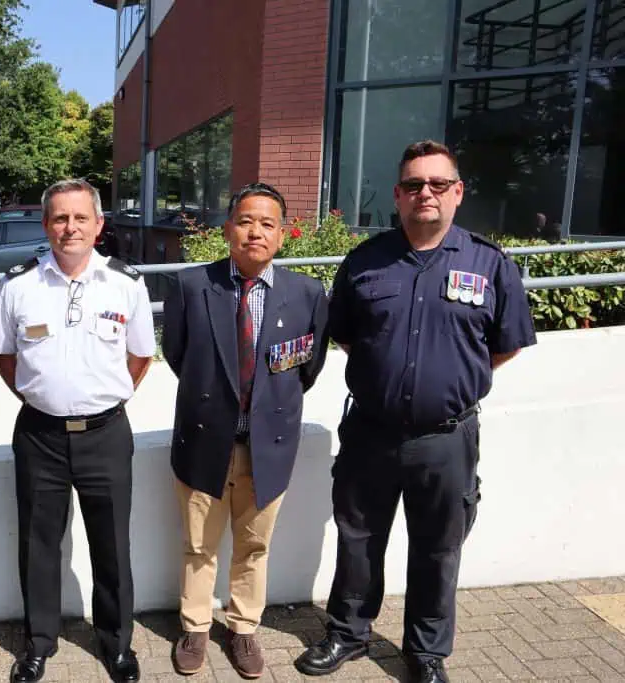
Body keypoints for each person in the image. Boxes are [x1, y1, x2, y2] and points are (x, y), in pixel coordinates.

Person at [295, 140, 537, 683]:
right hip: (370, 433)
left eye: (436, 184)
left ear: (457, 192)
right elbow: (350, 337)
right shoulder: (365, 261)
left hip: (446, 439)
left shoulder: (489, 263)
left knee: (438, 548)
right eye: (411, 185)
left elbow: (506, 344)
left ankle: (426, 652)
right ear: (398, 196)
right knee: (358, 540)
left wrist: (446, 384)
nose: (423, 193)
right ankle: (348, 634)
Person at [0, 178, 156, 683]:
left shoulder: (127, 284)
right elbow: (4, 355)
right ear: (46, 225)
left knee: (112, 543)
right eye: (59, 218)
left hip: (106, 433)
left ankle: (116, 645)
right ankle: (39, 643)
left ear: (99, 224)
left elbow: (141, 354)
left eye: (81, 217)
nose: (70, 227)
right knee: (39, 544)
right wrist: (44, 398)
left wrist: (105, 397)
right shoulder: (19, 285)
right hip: (39, 435)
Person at [161, 182, 328, 679]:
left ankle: (243, 628)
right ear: (228, 228)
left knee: (255, 545)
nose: (255, 231)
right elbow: (178, 356)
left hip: (268, 446)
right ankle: (194, 626)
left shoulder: (306, 293)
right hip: (204, 438)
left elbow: (308, 367)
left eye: (267, 223)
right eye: (246, 221)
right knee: (198, 544)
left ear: (282, 234)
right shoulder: (192, 285)